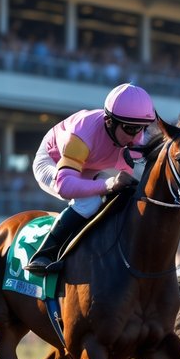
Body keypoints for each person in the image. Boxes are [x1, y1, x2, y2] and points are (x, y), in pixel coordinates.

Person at [26, 83, 154, 274]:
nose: (137, 138)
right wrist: (109, 184)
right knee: (90, 201)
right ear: (109, 121)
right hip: (53, 162)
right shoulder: (83, 131)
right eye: (130, 129)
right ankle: (45, 253)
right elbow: (65, 186)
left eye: (142, 128)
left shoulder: (136, 138)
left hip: (91, 166)